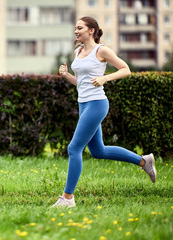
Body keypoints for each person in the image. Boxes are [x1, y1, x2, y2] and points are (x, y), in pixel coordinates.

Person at [52, 16, 157, 208]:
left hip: (97, 104)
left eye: (80, 28)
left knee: (74, 148)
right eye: (75, 28)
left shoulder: (102, 51)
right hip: (83, 103)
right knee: (98, 151)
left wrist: (104, 79)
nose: (76, 31)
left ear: (91, 30)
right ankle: (144, 161)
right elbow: (82, 82)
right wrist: (67, 75)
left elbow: (125, 70)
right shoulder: (78, 51)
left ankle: (67, 199)